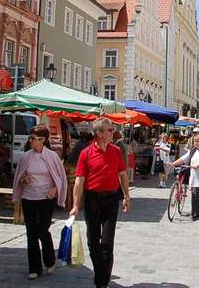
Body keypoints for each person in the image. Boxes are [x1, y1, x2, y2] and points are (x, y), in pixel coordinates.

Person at [70, 118, 130, 288]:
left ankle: (101, 281)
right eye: (110, 130)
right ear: (99, 133)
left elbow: (123, 175)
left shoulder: (116, 151)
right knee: (92, 239)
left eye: (112, 130)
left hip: (111, 199)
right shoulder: (86, 153)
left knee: (107, 242)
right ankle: (101, 272)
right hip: (92, 199)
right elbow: (79, 181)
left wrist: (126, 196)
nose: (113, 132)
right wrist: (75, 204)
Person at [12, 126, 67, 280]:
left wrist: (54, 190)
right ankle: (34, 268)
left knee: (43, 230)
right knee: (31, 233)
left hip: (45, 199)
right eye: (30, 138)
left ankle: (49, 259)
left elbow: (60, 177)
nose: (30, 141)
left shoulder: (52, 156)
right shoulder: (26, 157)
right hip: (29, 198)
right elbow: (18, 177)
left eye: (33, 138)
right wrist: (24, 180)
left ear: (43, 140)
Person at [171, 134, 199, 220]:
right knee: (195, 196)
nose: (194, 142)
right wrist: (173, 163)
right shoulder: (193, 151)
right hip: (195, 177)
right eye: (194, 141)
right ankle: (195, 214)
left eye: (196, 141)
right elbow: (184, 158)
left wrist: (198, 164)